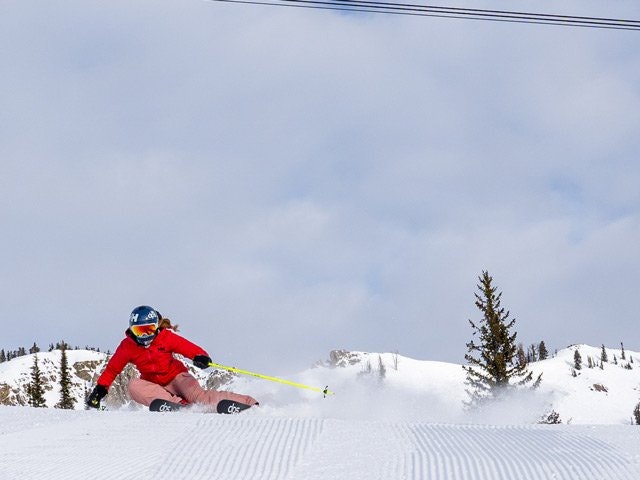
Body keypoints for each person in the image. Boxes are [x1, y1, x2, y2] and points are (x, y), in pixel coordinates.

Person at [86, 305, 258, 411]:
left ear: (156, 327)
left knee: (200, 398)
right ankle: (177, 406)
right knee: (133, 385)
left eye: (149, 329)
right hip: (154, 385)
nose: (145, 335)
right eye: (140, 331)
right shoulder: (128, 346)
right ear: (132, 330)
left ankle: (249, 403)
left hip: (177, 378)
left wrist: (200, 356)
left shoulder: (165, 337)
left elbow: (188, 348)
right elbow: (112, 369)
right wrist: (100, 390)